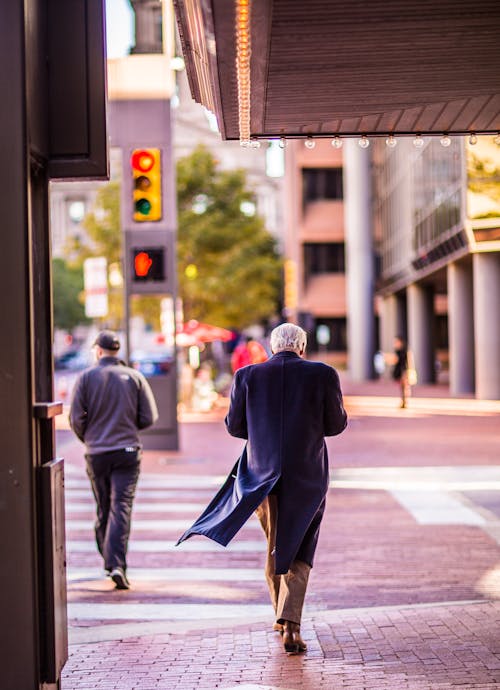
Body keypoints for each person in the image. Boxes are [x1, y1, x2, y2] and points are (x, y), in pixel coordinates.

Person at [177, 323, 347, 654]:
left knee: (274, 545)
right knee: (301, 547)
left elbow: (235, 427)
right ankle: (292, 625)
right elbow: (336, 425)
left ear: (271, 347)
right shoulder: (323, 374)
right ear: (302, 346)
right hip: (308, 476)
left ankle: (281, 617)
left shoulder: (246, 377)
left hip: (261, 476)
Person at [69, 330, 158, 590]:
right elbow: (149, 417)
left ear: (98, 350)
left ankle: (110, 562)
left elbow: (75, 418)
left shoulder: (85, 378)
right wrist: (128, 427)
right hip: (128, 451)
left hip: (97, 452)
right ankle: (116, 563)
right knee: (121, 506)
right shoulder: (134, 377)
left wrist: (90, 438)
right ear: (116, 351)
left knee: (103, 507)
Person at [388, 335, 414, 408]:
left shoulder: (401, 351)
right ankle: (404, 401)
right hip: (401, 370)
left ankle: (404, 401)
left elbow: (396, 360)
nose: (395, 343)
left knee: (404, 387)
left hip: (403, 371)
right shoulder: (402, 351)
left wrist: (388, 359)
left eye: (396, 342)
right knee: (402, 387)